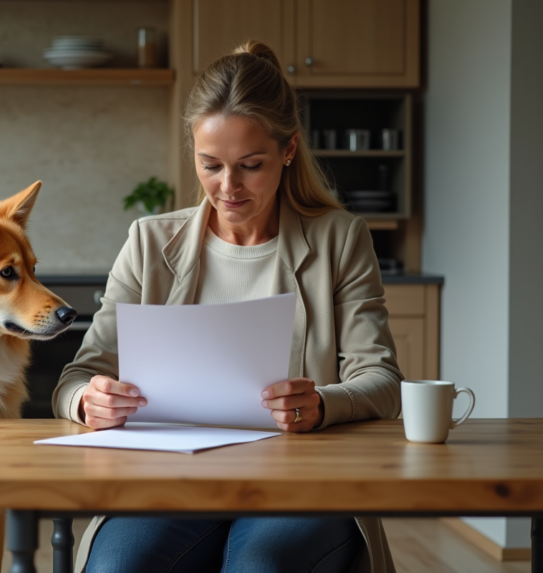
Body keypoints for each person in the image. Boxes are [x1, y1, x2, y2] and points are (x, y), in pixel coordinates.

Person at [52, 40, 401, 573]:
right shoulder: (149, 243)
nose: (228, 187)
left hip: (298, 485)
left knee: (261, 567)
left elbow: (381, 378)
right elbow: (79, 374)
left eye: (250, 165)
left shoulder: (340, 240)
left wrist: (323, 405)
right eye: (210, 165)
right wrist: (86, 401)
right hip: (171, 485)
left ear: (288, 150)